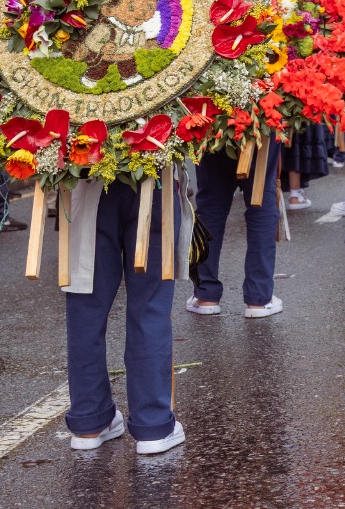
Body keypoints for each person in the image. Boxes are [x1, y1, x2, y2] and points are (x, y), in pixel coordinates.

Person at [62, 174, 186, 454]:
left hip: (87, 180)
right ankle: (152, 424)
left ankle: (89, 420)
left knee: (86, 307)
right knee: (150, 303)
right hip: (152, 179)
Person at [189, 141, 284, 318]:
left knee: (211, 204)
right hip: (259, 123)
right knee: (261, 198)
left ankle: (206, 295)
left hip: (213, 119)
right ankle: (259, 297)